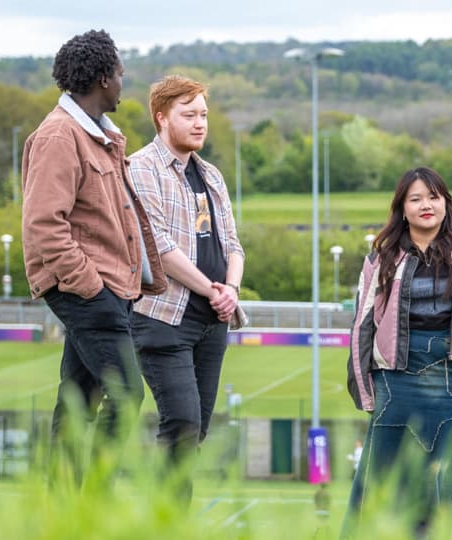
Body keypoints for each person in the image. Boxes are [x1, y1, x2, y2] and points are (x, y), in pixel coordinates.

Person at [21, 29, 167, 487]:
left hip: (108, 288)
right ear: (104, 78)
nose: (124, 83)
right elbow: (43, 224)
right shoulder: (59, 136)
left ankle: (62, 505)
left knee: (78, 400)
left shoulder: (98, 135)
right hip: (87, 289)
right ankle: (95, 500)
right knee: (127, 393)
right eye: (120, 74)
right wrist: (89, 285)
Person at [342, 167, 452, 539]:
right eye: (415, 199)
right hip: (393, 381)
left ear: (446, 203)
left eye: (433, 197)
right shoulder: (380, 259)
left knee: (435, 487)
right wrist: (364, 389)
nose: (426, 205)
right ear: (402, 208)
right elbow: (361, 325)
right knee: (376, 483)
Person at [127, 75, 245, 501]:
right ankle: (165, 521)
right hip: (164, 319)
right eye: (188, 114)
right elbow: (157, 246)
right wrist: (213, 290)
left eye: (203, 115)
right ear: (161, 117)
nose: (199, 123)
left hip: (212, 322)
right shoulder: (141, 168)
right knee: (181, 424)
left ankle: (171, 513)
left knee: (195, 431)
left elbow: (233, 244)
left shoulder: (210, 174)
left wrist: (231, 290)